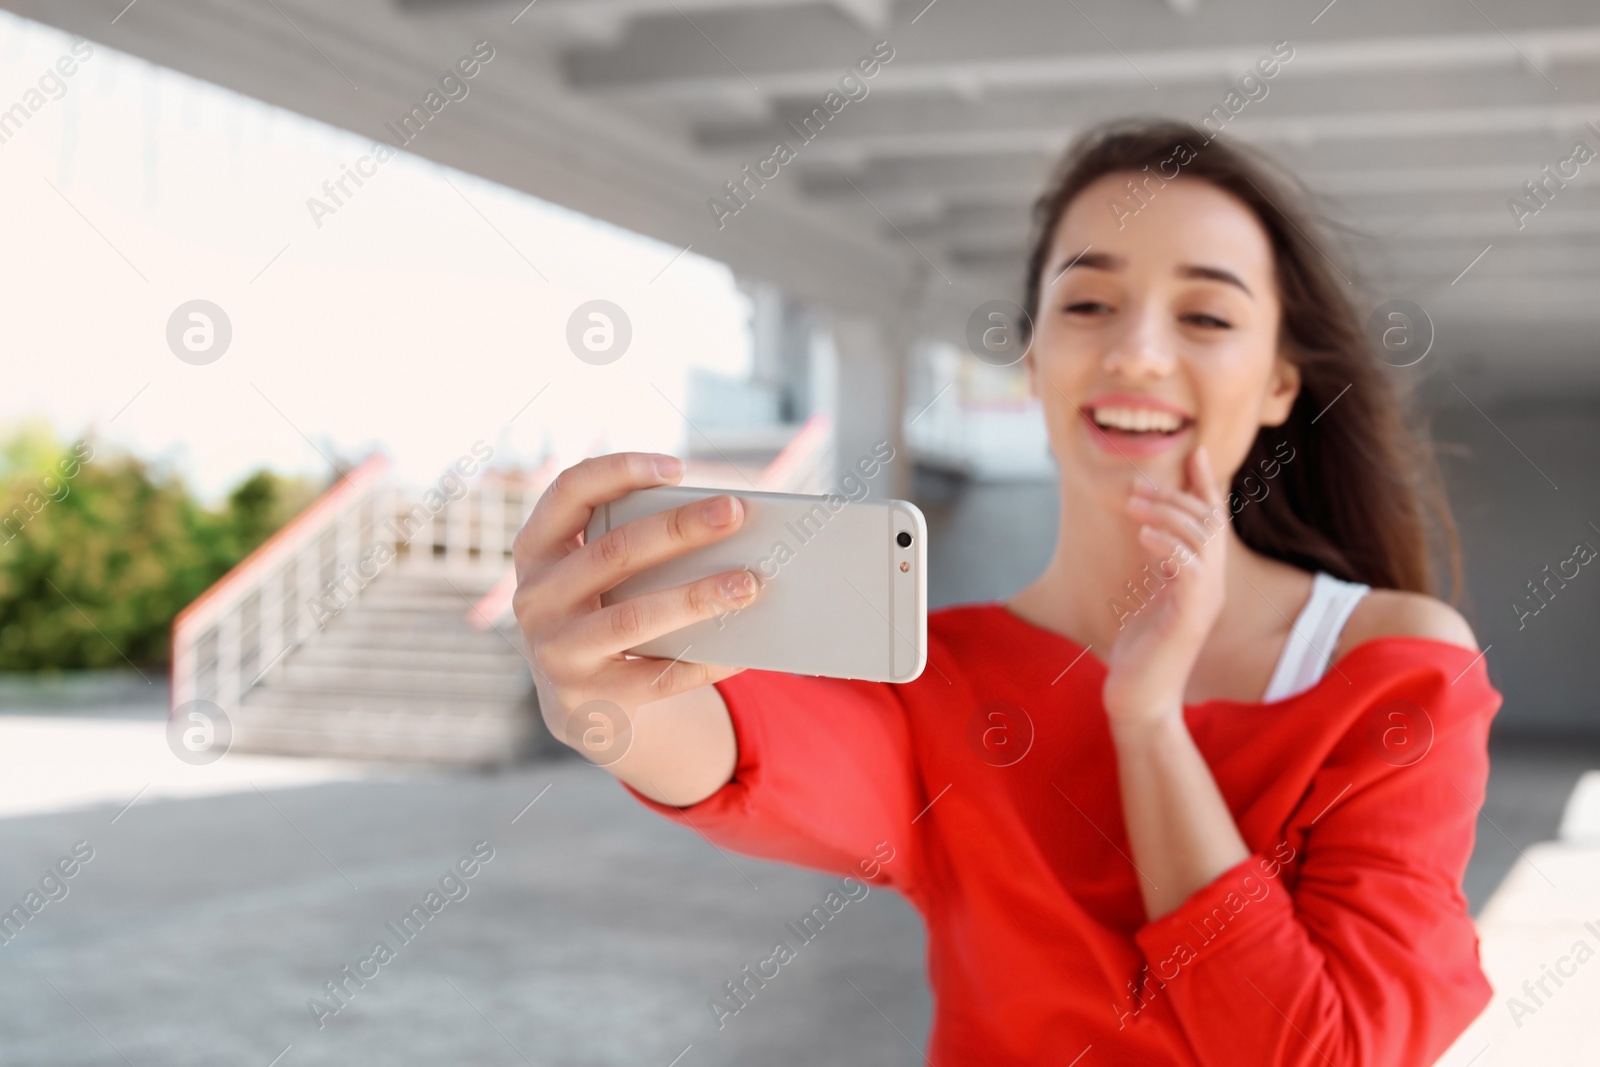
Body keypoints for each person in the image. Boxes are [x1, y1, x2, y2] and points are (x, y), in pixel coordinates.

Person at [510, 118, 1500, 1066]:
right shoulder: (938, 680)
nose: (1137, 352)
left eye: (1204, 314)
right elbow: (742, 741)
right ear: (1032, 359)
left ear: (1281, 381)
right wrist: (609, 692)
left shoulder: (1392, 669)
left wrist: (1148, 720)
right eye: (1086, 304)